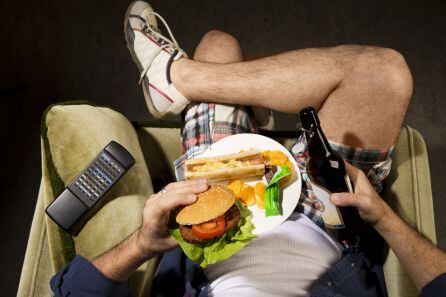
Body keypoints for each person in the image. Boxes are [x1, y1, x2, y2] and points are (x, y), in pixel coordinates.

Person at [50, 1, 446, 296]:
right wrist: (383, 218)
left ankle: (183, 80)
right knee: (383, 74)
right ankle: (192, 83)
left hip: (218, 221)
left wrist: (144, 243)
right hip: (331, 222)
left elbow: (74, 292)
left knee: (219, 44)